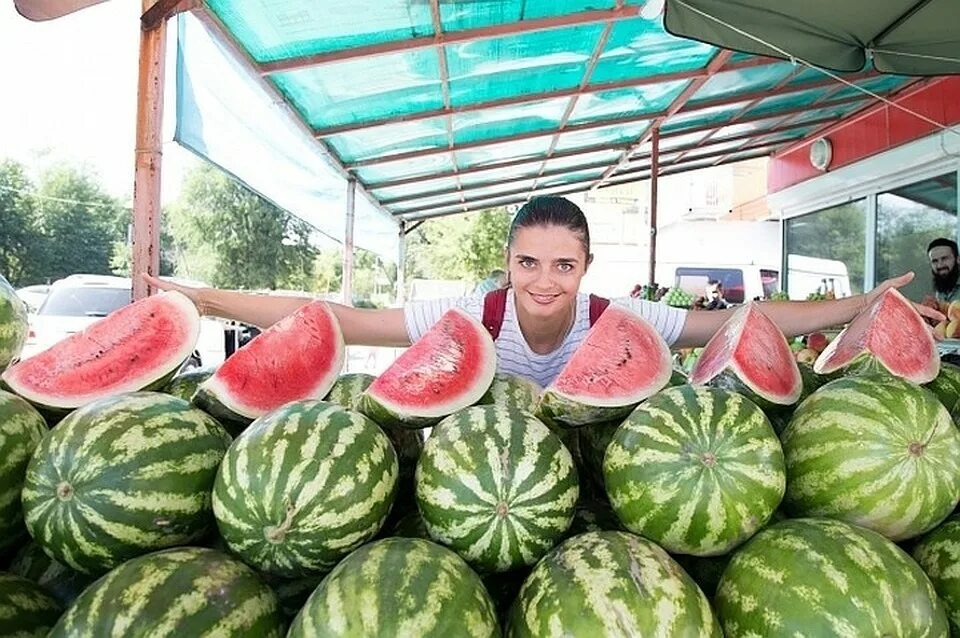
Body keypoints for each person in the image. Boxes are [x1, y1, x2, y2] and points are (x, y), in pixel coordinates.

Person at [146, 196, 941, 388]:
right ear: (508, 262)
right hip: (485, 481)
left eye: (564, 266)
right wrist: (212, 302)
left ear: (586, 269)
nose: (545, 282)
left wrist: (863, 305)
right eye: (530, 264)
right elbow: (334, 319)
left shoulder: (620, 319)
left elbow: (744, 319)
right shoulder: (472, 316)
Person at [924, 237, 960, 308]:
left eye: (944, 258)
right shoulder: (941, 289)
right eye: (935, 261)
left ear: (958, 259)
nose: (940, 265)